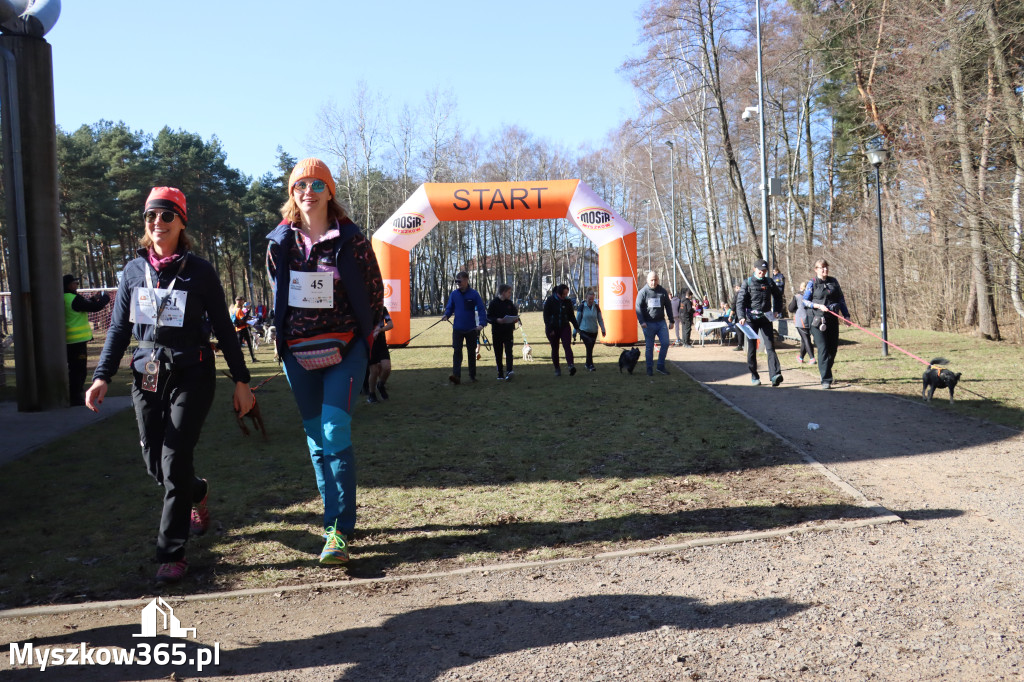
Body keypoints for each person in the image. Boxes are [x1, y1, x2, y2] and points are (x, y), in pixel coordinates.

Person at [85, 187, 254, 586]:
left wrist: (242, 381)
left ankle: (171, 554)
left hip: (192, 372)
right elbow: (118, 329)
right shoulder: (132, 271)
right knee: (155, 464)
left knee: (175, 459)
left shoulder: (200, 271)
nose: (157, 223)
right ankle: (196, 491)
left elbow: (225, 329)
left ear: (181, 222)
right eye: (151, 216)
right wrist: (101, 376)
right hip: (147, 373)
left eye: (166, 215)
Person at [266, 158, 384, 565]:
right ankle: (334, 517)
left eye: (318, 184)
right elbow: (279, 294)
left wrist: (369, 342)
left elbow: (373, 294)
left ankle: (337, 529)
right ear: (292, 193)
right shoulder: (279, 243)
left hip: (345, 350)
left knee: (334, 430)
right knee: (317, 439)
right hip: (297, 354)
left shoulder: (352, 241)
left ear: (330, 191)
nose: (309, 191)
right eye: (301, 184)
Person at [63, 274, 110, 406]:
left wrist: (93, 299)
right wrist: (105, 298)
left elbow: (83, 305)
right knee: (78, 370)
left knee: (72, 369)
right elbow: (94, 307)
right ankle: (75, 396)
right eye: (75, 283)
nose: (77, 285)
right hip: (77, 341)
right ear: (68, 285)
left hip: (67, 340)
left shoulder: (64, 297)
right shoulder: (74, 298)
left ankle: (72, 394)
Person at [736, 259, 784, 386]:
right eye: (760, 270)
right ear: (754, 269)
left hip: (766, 318)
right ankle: (754, 375)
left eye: (764, 271)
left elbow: (778, 296)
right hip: (751, 320)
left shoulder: (769, 282)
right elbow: (740, 301)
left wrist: (777, 310)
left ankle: (775, 375)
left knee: (770, 347)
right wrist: (741, 316)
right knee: (752, 348)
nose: (762, 273)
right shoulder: (747, 282)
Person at [803, 259, 850, 389]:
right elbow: (805, 301)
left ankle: (825, 370)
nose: (825, 270)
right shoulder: (812, 283)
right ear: (816, 269)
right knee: (823, 348)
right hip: (817, 320)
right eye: (822, 268)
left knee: (832, 349)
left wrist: (846, 315)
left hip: (832, 319)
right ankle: (826, 379)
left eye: (826, 267)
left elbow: (841, 299)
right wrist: (818, 306)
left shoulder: (833, 281)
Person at [442, 271, 487, 384]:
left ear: (466, 280)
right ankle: (456, 376)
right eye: (456, 281)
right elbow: (450, 308)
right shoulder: (454, 294)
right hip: (457, 328)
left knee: (471, 353)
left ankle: (472, 376)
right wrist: (446, 315)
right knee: (457, 352)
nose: (458, 283)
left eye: (460, 281)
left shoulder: (474, 294)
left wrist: (482, 323)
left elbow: (481, 309)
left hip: (471, 329)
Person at [635, 271, 674, 376]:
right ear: (647, 280)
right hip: (648, 324)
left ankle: (660, 366)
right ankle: (649, 368)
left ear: (658, 280)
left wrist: (671, 320)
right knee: (649, 347)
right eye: (651, 280)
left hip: (661, 323)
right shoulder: (643, 292)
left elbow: (668, 306)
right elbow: (638, 308)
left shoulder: (663, 291)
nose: (654, 282)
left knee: (665, 343)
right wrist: (642, 321)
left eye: (655, 280)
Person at [543, 283, 579, 376]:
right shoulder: (550, 300)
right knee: (555, 348)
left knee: (567, 346)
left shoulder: (568, 302)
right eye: (564, 294)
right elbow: (546, 316)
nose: (565, 296)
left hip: (565, 327)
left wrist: (577, 327)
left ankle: (571, 366)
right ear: (559, 293)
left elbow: (571, 316)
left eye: (566, 294)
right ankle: (557, 368)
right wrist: (550, 329)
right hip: (552, 328)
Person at [487, 284, 520, 380]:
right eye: (509, 292)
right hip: (497, 331)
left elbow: (515, 314)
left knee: (509, 351)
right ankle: (500, 373)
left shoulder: (510, 303)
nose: (510, 294)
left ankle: (509, 371)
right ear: (503, 292)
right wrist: (497, 320)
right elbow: (488, 317)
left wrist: (515, 319)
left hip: (508, 331)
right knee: (498, 352)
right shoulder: (493, 303)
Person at [366, 307, 393, 403]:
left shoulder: (383, 309)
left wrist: (380, 330)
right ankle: (371, 394)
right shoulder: (364, 309)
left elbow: (390, 324)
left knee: (387, 367)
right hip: (370, 342)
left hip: (381, 342)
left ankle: (380, 385)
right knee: (374, 371)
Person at [574, 289, 606, 371]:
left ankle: (587, 364)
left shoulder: (596, 307)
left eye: (592, 299)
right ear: (586, 298)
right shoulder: (582, 307)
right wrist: (574, 332)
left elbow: (600, 319)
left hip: (593, 331)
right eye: (589, 299)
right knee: (589, 345)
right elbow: (577, 320)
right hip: (584, 331)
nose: (591, 301)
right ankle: (591, 365)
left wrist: (603, 330)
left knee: (590, 348)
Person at [788, 289, 815, 365]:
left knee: (806, 339)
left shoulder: (798, 296)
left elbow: (790, 309)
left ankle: (812, 358)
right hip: (811, 319)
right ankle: (801, 358)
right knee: (804, 339)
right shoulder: (813, 295)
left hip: (801, 320)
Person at [232, 297, 258, 363]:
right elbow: (243, 319)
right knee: (248, 343)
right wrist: (249, 311)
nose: (243, 302)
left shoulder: (233, 309)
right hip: (243, 328)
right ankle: (252, 358)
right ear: (240, 301)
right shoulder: (239, 310)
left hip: (237, 328)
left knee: (239, 344)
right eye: (242, 301)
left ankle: (238, 359)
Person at [731, 283, 745, 351]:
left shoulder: (737, 295)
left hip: (739, 315)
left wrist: (730, 315)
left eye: (736, 288)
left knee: (738, 330)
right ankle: (743, 344)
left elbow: (734, 305)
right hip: (746, 314)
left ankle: (740, 345)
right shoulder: (746, 293)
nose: (735, 289)